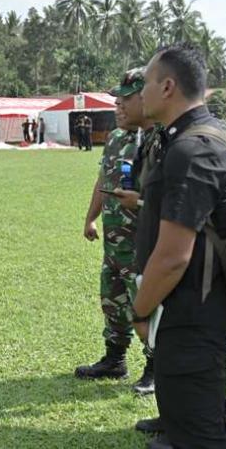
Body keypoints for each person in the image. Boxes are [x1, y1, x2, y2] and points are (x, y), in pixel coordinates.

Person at [133, 44, 226, 448]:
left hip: (191, 312)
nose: (140, 93)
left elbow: (173, 257)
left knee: (200, 431)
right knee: (193, 405)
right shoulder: (188, 139)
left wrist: (140, 310)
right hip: (190, 308)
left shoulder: (193, 149)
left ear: (167, 87)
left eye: (146, 83)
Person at [77, 67, 155, 396]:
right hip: (113, 241)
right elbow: (103, 181)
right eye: (116, 101)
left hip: (143, 244)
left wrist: (140, 203)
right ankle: (114, 359)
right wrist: (90, 218)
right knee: (112, 299)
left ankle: (156, 365)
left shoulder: (160, 140)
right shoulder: (116, 137)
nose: (118, 107)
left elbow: (170, 199)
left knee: (145, 304)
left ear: (145, 98)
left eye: (126, 100)